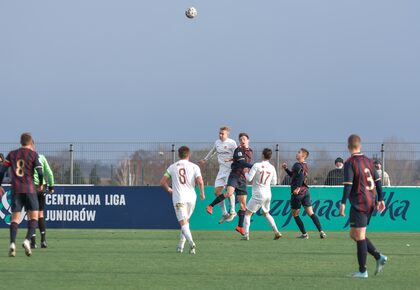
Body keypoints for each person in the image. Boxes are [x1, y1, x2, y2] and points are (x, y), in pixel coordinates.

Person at [340, 134, 388, 278]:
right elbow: (378, 180)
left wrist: (342, 203)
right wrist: (381, 199)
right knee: (354, 234)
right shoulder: (368, 161)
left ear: (348, 147)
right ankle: (378, 256)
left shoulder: (350, 162)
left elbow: (348, 185)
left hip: (360, 203)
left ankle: (363, 271)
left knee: (359, 235)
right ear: (360, 146)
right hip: (370, 201)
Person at [0, 133, 44, 257]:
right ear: (31, 143)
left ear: (20, 141)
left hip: (16, 190)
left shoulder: (12, 154)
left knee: (15, 219)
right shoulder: (33, 155)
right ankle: (27, 240)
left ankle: (12, 243)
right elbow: (40, 172)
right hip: (30, 189)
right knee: (34, 217)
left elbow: (2, 171)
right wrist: (40, 184)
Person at [160, 146, 205, 254]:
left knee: (183, 222)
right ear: (189, 155)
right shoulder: (195, 167)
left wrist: (169, 190)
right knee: (186, 221)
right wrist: (202, 193)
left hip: (179, 198)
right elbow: (200, 181)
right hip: (191, 198)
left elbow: (162, 182)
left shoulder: (172, 167)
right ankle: (180, 246)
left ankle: (191, 243)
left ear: (178, 155)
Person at [206, 133, 253, 236]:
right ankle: (210, 206)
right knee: (229, 193)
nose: (242, 141)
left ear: (248, 140)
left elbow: (239, 159)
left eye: (244, 139)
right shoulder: (239, 149)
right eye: (240, 139)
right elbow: (241, 163)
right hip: (235, 175)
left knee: (243, 205)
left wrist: (231, 159)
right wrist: (254, 166)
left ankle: (240, 227)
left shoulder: (250, 151)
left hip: (243, 178)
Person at [282, 148, 326, 239]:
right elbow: (294, 176)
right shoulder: (305, 165)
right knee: (311, 213)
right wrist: (286, 169)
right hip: (306, 192)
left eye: (299, 152)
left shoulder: (297, 165)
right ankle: (321, 231)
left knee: (295, 214)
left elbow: (301, 176)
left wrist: (297, 188)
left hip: (298, 194)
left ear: (303, 155)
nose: (296, 153)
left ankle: (305, 234)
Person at [198, 126, 237, 224]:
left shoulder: (232, 143)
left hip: (230, 170)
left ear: (227, 134)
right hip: (221, 171)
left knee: (229, 192)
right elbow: (212, 151)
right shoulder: (217, 142)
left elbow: (237, 156)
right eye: (219, 133)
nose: (220, 135)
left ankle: (232, 211)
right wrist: (205, 159)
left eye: (222, 133)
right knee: (217, 192)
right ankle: (224, 213)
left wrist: (231, 160)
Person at [243, 148, 281, 240]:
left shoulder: (257, 165)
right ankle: (276, 232)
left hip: (258, 194)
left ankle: (246, 235)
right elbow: (274, 182)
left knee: (247, 213)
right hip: (268, 194)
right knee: (266, 213)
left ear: (262, 155)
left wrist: (245, 173)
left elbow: (249, 179)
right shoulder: (272, 167)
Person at [30, 142, 55, 249]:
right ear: (33, 146)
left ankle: (33, 242)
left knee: (31, 215)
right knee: (40, 214)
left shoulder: (26, 159)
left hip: (30, 187)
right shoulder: (42, 157)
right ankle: (43, 241)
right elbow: (49, 173)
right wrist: (51, 187)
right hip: (42, 187)